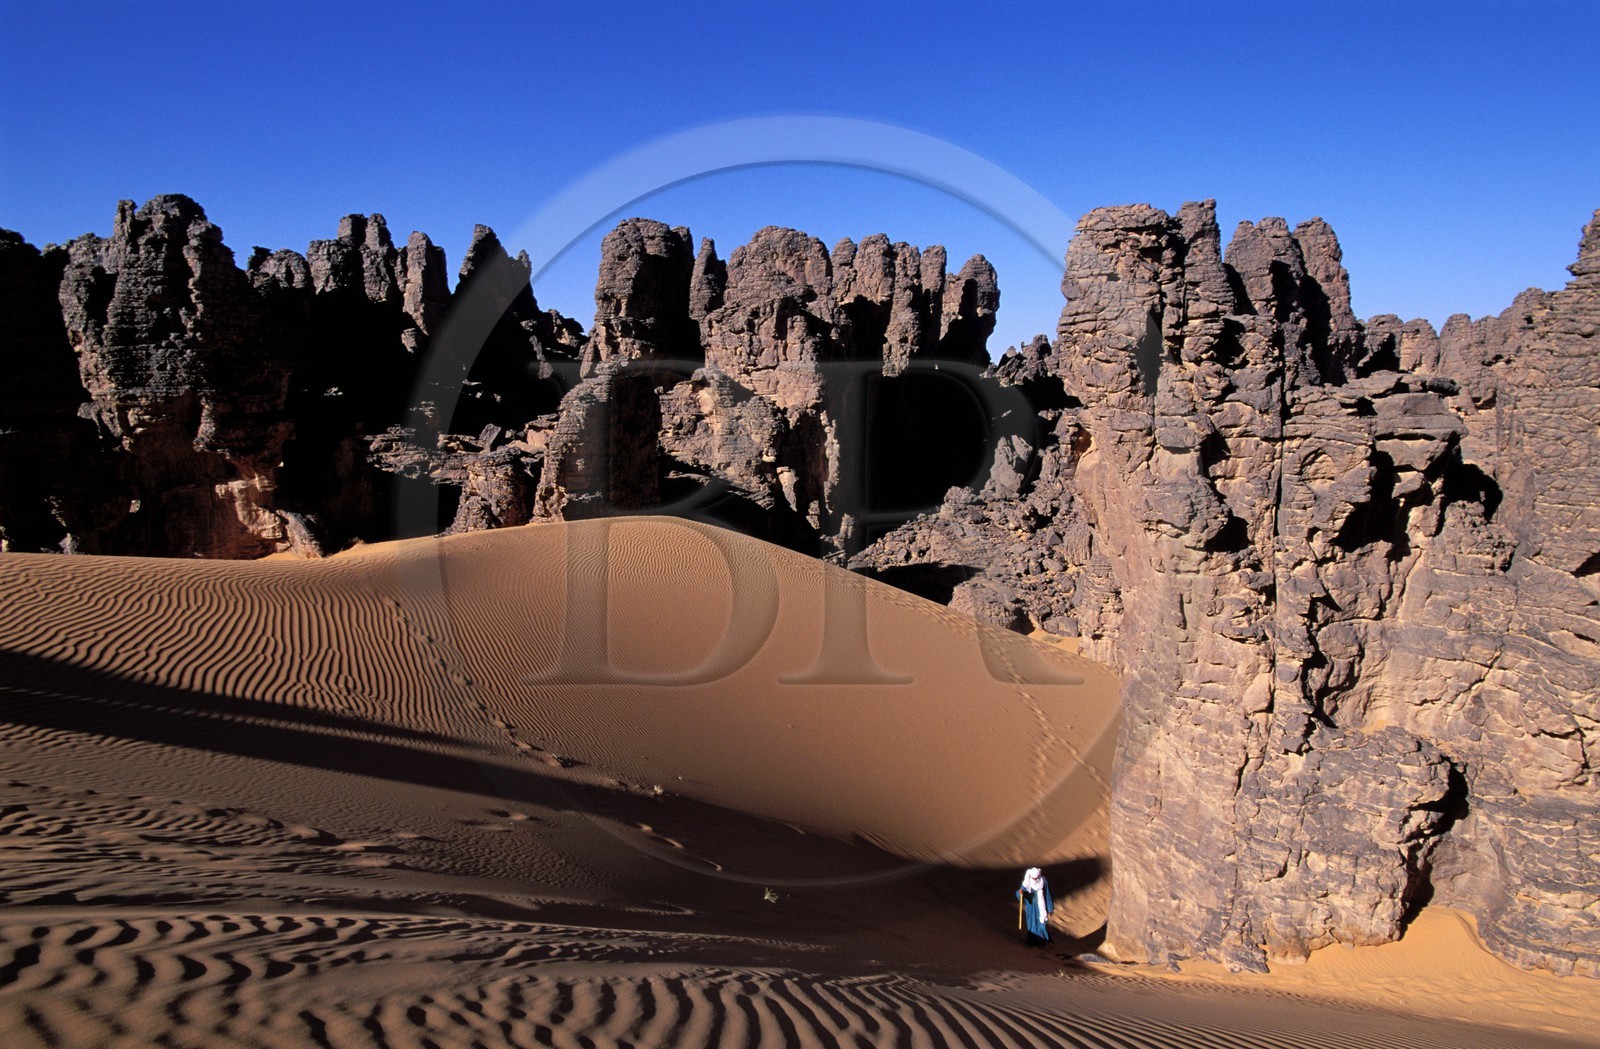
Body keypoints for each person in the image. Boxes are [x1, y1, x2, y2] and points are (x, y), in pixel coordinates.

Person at [1015, 867, 1052, 945]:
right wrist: (1020, 893)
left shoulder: (1043, 882)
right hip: (1031, 907)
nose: (1035, 880)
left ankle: (1042, 942)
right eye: (1033, 878)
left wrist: (1050, 908)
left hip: (1041, 908)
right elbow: (1019, 894)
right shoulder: (1026, 883)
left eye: (1036, 878)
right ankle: (1032, 941)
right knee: (1031, 924)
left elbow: (1047, 895)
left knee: (1041, 924)